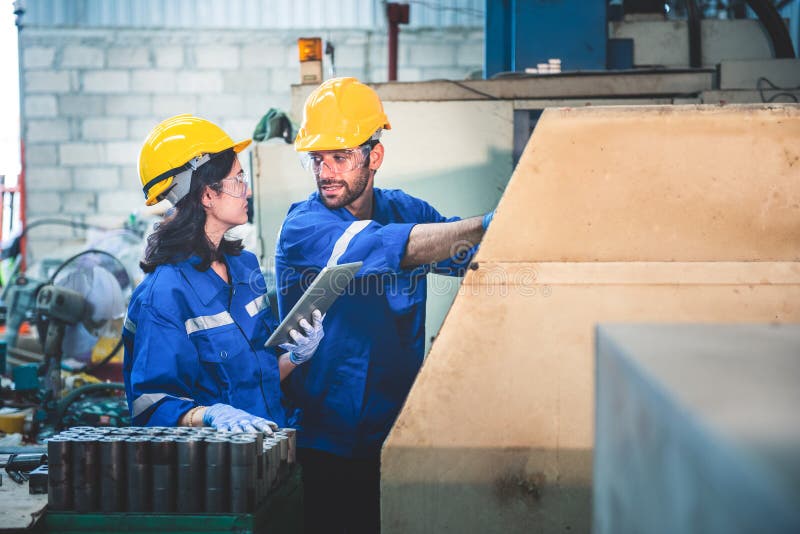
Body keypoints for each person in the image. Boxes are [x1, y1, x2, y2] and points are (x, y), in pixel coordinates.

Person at [275, 78, 495, 532]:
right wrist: (487, 225)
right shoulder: (304, 226)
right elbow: (384, 247)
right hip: (322, 440)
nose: (326, 172)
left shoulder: (404, 209)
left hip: (396, 435)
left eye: (341, 157)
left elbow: (463, 255)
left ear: (374, 157)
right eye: (317, 159)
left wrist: (511, 233)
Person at [123, 114, 324, 433]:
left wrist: (296, 356)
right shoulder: (163, 296)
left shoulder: (245, 267)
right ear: (206, 195)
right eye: (238, 180)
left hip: (273, 447)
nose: (247, 192)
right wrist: (208, 414)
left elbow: (261, 373)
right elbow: (150, 407)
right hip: (216, 471)